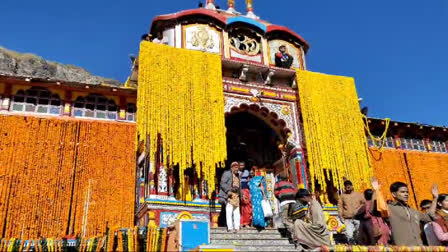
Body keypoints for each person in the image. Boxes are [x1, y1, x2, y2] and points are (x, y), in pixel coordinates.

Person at [386, 181, 438, 246]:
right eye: (402, 192)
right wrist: (375, 192)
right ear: (394, 194)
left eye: (407, 192)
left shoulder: (412, 210)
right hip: (403, 249)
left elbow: (428, 217)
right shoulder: (389, 208)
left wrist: (435, 198)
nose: (406, 194)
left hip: (419, 247)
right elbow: (373, 211)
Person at [337, 180, 366, 244]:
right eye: (346, 187)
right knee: (349, 235)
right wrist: (341, 216)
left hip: (357, 218)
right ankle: (352, 247)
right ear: (344, 187)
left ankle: (358, 246)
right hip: (347, 219)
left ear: (352, 186)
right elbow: (340, 207)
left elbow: (364, 203)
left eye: (349, 186)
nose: (348, 188)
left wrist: (359, 210)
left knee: (358, 235)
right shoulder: (342, 196)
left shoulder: (358, 195)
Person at [218, 162, 240, 226]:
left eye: (237, 168)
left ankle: (237, 227)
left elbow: (239, 185)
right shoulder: (227, 174)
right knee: (229, 211)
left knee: (236, 212)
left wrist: (241, 194)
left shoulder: (237, 175)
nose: (237, 169)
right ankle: (230, 227)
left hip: (236, 196)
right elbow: (222, 183)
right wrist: (227, 190)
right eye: (235, 168)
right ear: (232, 168)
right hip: (229, 195)